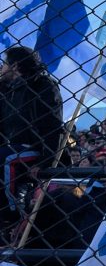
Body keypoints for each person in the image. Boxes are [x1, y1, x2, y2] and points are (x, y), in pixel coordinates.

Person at [0, 46, 64, 237]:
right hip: (10, 146)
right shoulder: (6, 90)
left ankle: (13, 212)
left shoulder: (43, 86)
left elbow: (53, 126)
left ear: (15, 66)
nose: (1, 68)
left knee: (6, 158)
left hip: (34, 149)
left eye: (4, 64)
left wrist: (46, 160)